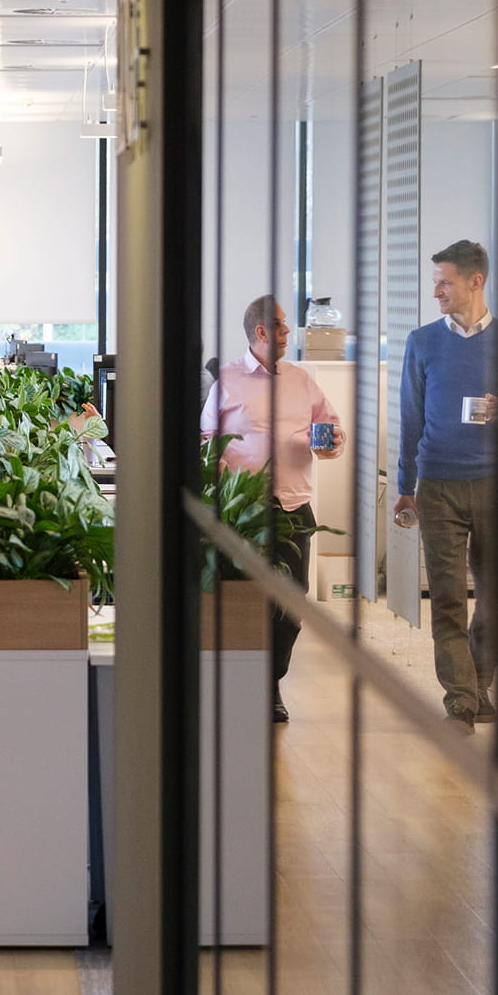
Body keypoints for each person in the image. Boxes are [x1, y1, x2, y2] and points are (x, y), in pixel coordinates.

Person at [392, 239, 498, 732]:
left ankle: (479, 683)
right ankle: (461, 697)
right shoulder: (421, 343)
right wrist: (405, 484)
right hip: (437, 485)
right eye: (434, 281)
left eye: (445, 282)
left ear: (475, 282)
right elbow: (410, 419)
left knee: (494, 595)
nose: (435, 291)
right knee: (447, 597)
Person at [200, 294, 345, 722]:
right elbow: (206, 436)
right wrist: (221, 468)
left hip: (294, 505)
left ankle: (270, 680)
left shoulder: (302, 380)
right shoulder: (227, 380)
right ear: (261, 332)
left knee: (292, 605)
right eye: (281, 326)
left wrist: (333, 441)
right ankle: (248, 686)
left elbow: (331, 425)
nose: (288, 332)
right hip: (242, 509)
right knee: (245, 600)